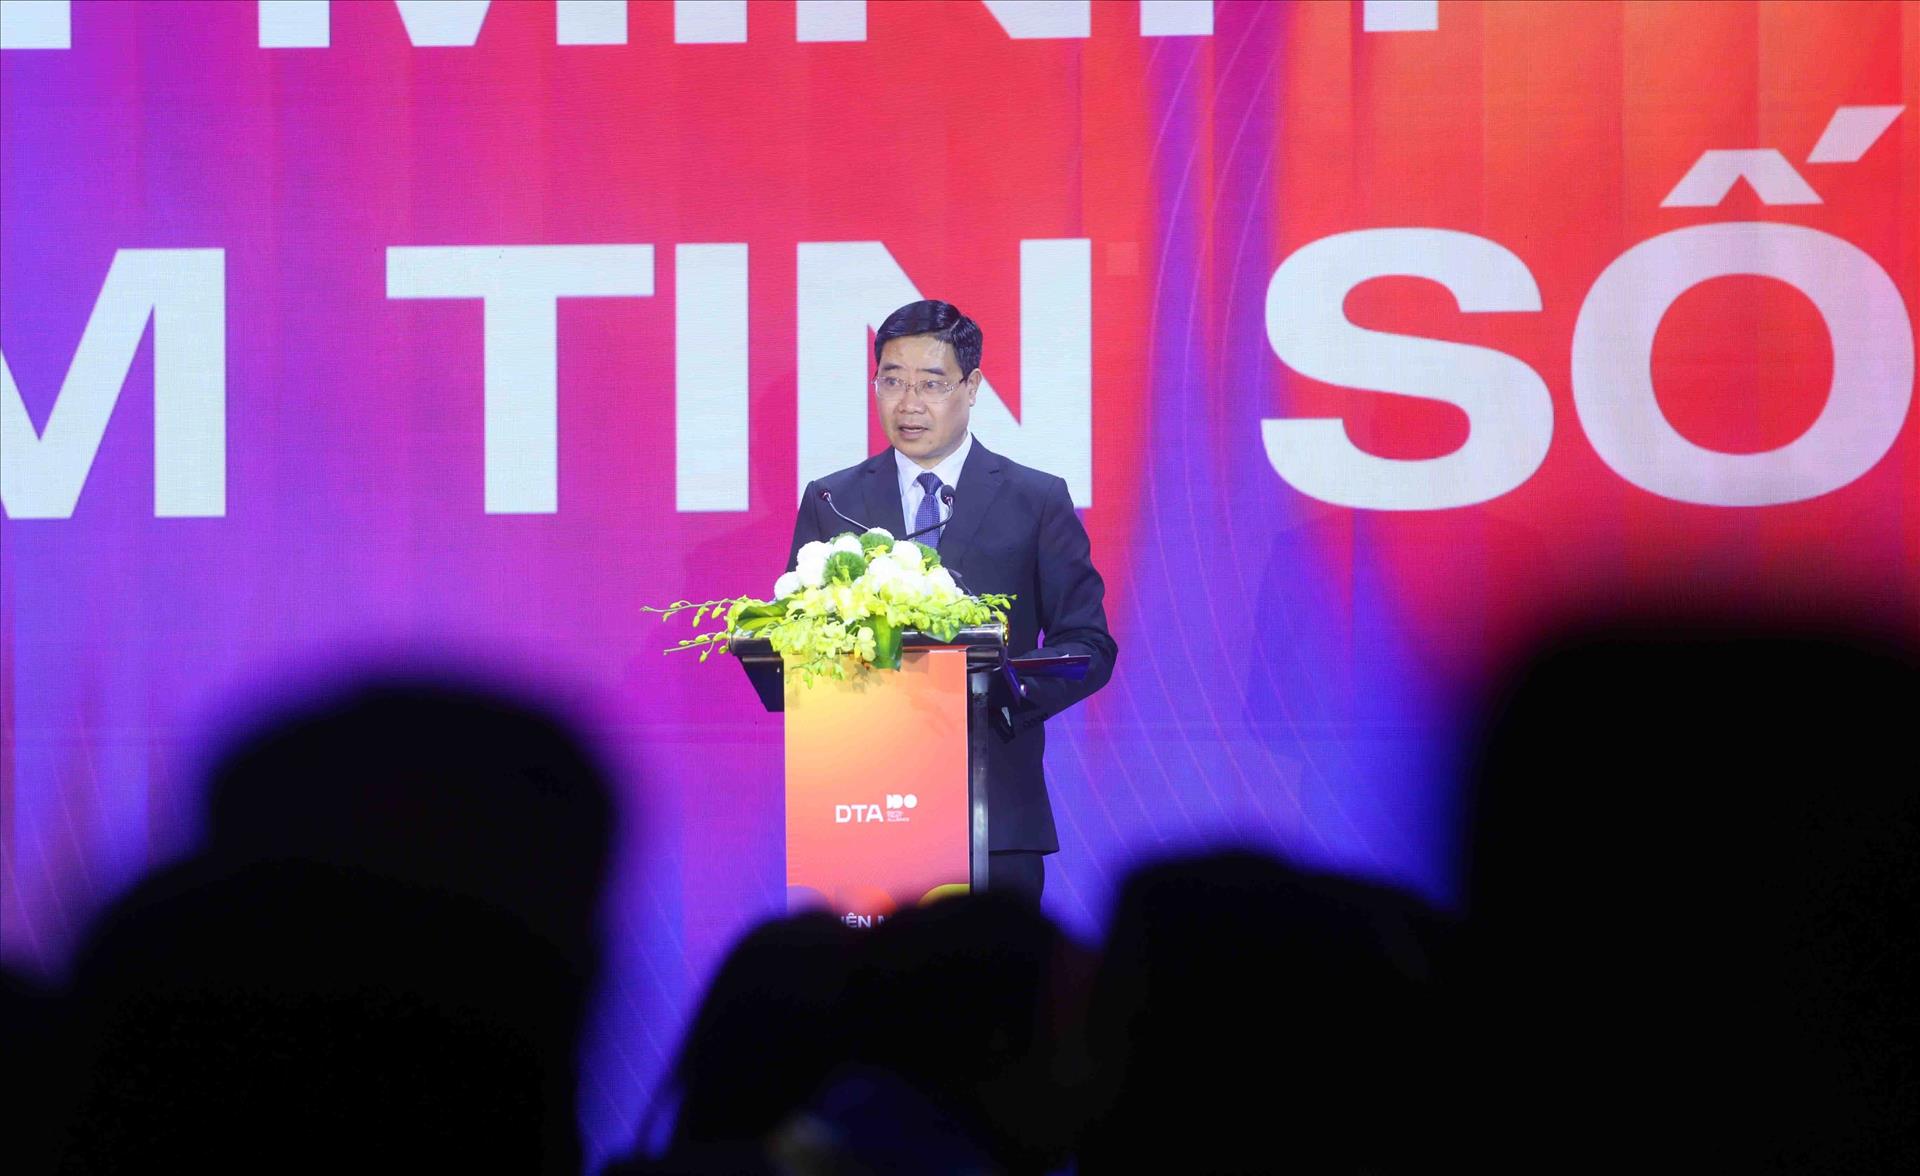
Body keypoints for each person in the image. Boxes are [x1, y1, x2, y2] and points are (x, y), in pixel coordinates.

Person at [786, 300, 1116, 900]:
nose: (908, 403)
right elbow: (798, 636)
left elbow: (1088, 644)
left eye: (931, 384)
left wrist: (1001, 696)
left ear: (972, 386)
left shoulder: (1035, 499)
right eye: (892, 381)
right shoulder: (833, 502)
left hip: (995, 810)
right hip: (862, 806)